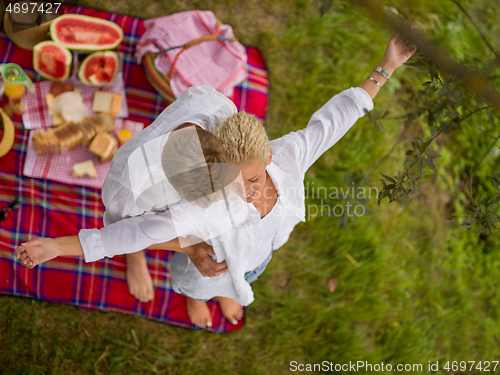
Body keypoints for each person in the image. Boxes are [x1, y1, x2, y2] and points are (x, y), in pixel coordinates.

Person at [15, 32, 416, 328]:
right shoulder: (197, 206)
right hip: (209, 255)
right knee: (203, 278)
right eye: (236, 184)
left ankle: (232, 289)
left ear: (270, 154)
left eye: (256, 175)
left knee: (243, 274)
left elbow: (331, 121)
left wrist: (388, 65)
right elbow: (128, 234)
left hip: (257, 253)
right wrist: (56, 246)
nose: (253, 191)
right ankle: (205, 297)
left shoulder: (289, 156)